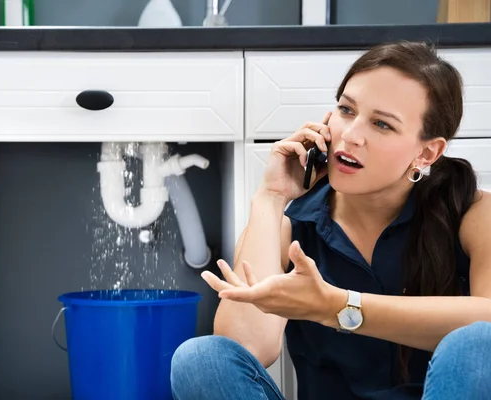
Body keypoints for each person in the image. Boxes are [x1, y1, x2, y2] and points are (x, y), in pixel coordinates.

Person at [170, 41, 491, 400]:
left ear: (426, 152)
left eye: (382, 124)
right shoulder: (292, 226)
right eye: (346, 110)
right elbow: (243, 348)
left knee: (478, 342)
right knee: (200, 358)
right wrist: (271, 198)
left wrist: (335, 306)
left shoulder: (474, 213)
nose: (352, 135)